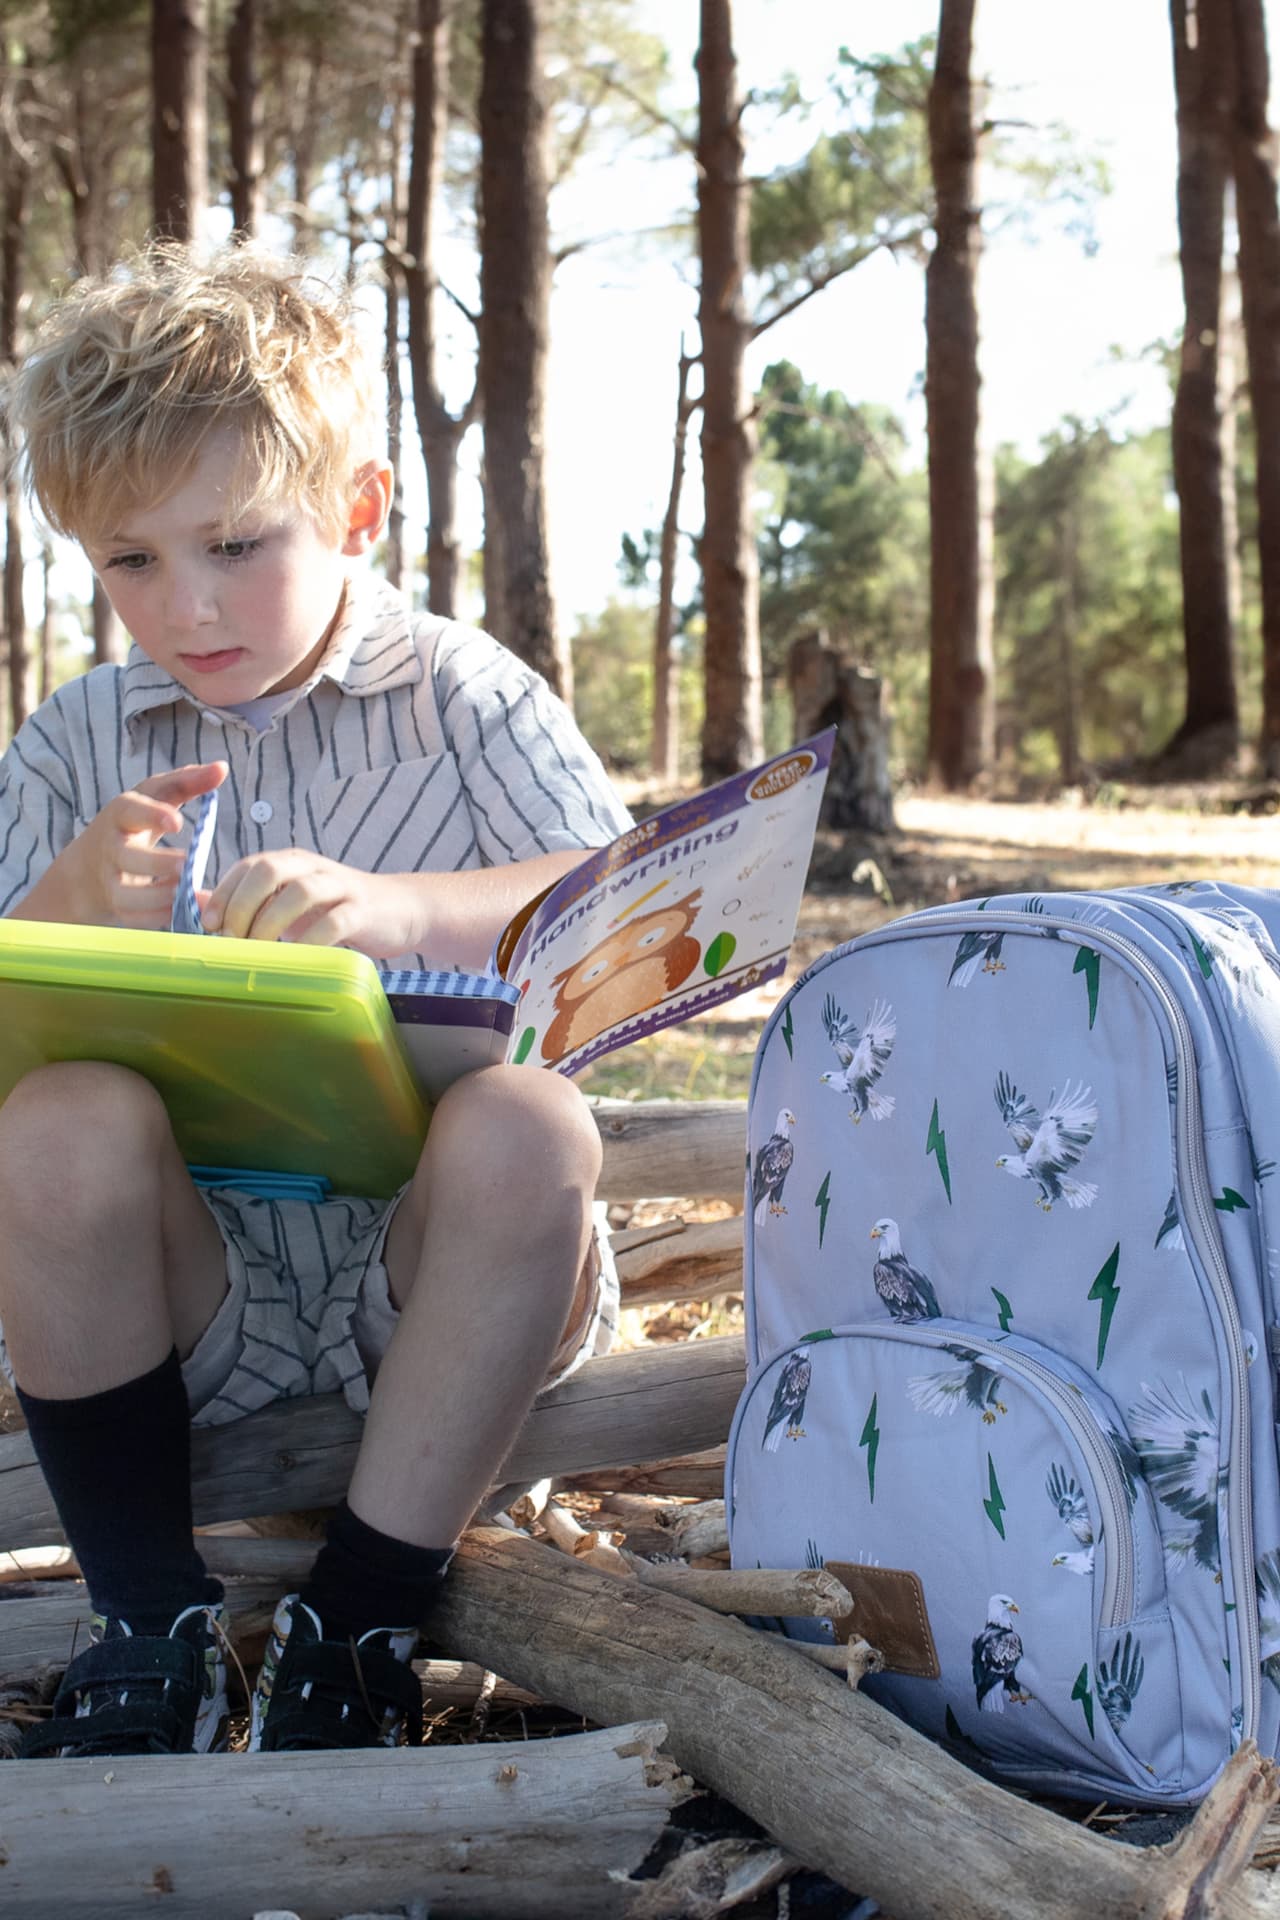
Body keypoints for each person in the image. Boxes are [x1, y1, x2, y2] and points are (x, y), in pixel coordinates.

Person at [0, 243, 631, 1758]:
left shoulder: (464, 694)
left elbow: (626, 911)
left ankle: (357, 1626)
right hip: (183, 1285)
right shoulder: (80, 737)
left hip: (442, 1277)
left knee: (529, 1128)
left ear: (357, 507)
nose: (185, 607)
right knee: (59, 1117)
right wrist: (58, 908)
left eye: (233, 543)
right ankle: (146, 1618)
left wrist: (409, 911)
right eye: (130, 561)